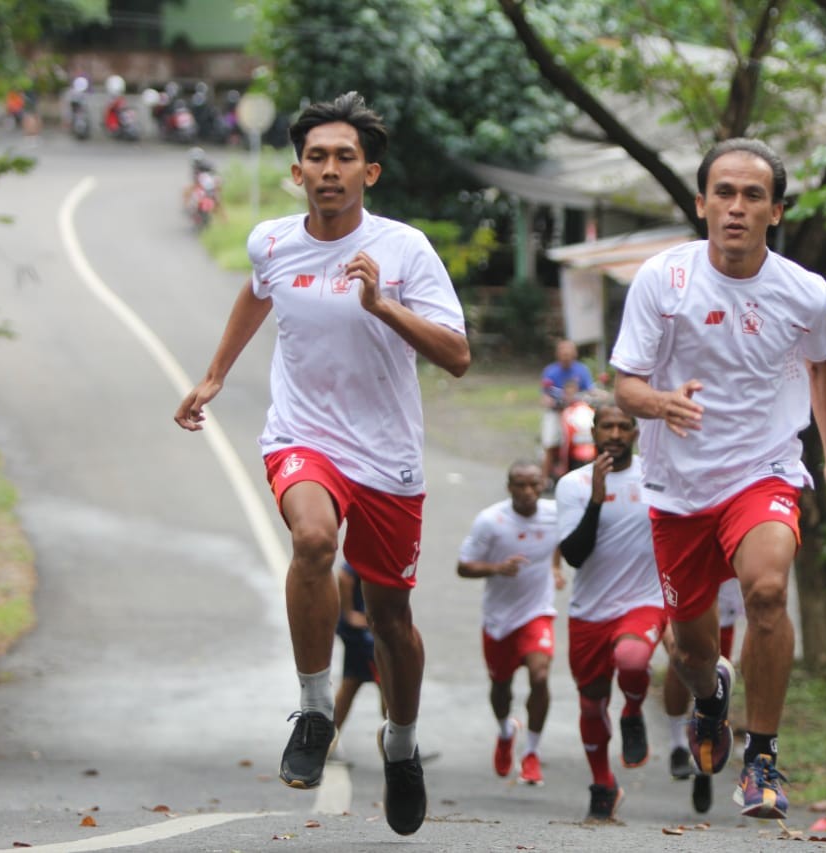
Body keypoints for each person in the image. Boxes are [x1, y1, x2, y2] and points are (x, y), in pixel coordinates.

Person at [173, 91, 470, 837]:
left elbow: (459, 356)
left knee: (394, 619)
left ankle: (400, 747)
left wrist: (384, 307)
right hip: (303, 435)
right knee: (311, 539)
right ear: (297, 171)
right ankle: (312, 713)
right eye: (316, 157)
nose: (329, 169)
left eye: (344, 158)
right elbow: (256, 293)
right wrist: (214, 374)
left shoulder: (405, 251)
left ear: (369, 172)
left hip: (389, 456)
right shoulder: (272, 242)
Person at [610, 137, 826, 820]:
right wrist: (661, 404)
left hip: (764, 469)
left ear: (774, 211)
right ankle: (711, 692)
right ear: (701, 203)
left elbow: (822, 363)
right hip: (677, 487)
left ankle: (762, 758)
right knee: (693, 653)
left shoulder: (803, 292)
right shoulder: (662, 281)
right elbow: (625, 382)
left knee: (766, 587)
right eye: (724, 192)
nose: (736, 207)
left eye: (753, 195)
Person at [555, 403, 665, 822]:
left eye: (624, 426)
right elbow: (575, 556)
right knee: (590, 705)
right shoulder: (572, 485)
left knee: (633, 660)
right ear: (595, 433)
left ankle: (633, 711)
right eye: (608, 426)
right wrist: (597, 500)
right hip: (590, 610)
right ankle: (603, 783)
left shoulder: (655, 476)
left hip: (643, 601)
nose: (616, 433)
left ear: (636, 433)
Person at [457, 460, 561, 786]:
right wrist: (497, 568)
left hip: (537, 611)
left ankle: (531, 752)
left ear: (543, 484)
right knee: (500, 686)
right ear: (509, 487)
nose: (528, 491)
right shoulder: (491, 520)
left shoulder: (556, 513)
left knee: (540, 675)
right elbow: (463, 567)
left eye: (534, 484)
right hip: (499, 618)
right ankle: (505, 731)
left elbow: (557, 541)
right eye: (520, 485)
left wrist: (555, 567)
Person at [663, 577, 744, 814]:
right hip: (681, 575)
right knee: (680, 657)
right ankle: (678, 743)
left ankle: (703, 759)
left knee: (714, 677)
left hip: (723, 593)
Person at [331, 562, 386, 745]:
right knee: (389, 685)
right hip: (364, 636)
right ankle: (400, 742)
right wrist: (349, 614)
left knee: (351, 684)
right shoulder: (372, 544)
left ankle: (324, 742)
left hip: (363, 634)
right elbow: (345, 575)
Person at [540, 340, 593, 485]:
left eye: (569, 353)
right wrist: (549, 401)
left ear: (575, 354)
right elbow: (545, 394)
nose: (566, 356)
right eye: (563, 353)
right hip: (557, 412)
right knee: (551, 442)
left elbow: (591, 390)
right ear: (558, 355)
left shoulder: (582, 370)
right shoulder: (550, 371)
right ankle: (543, 479)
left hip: (575, 412)